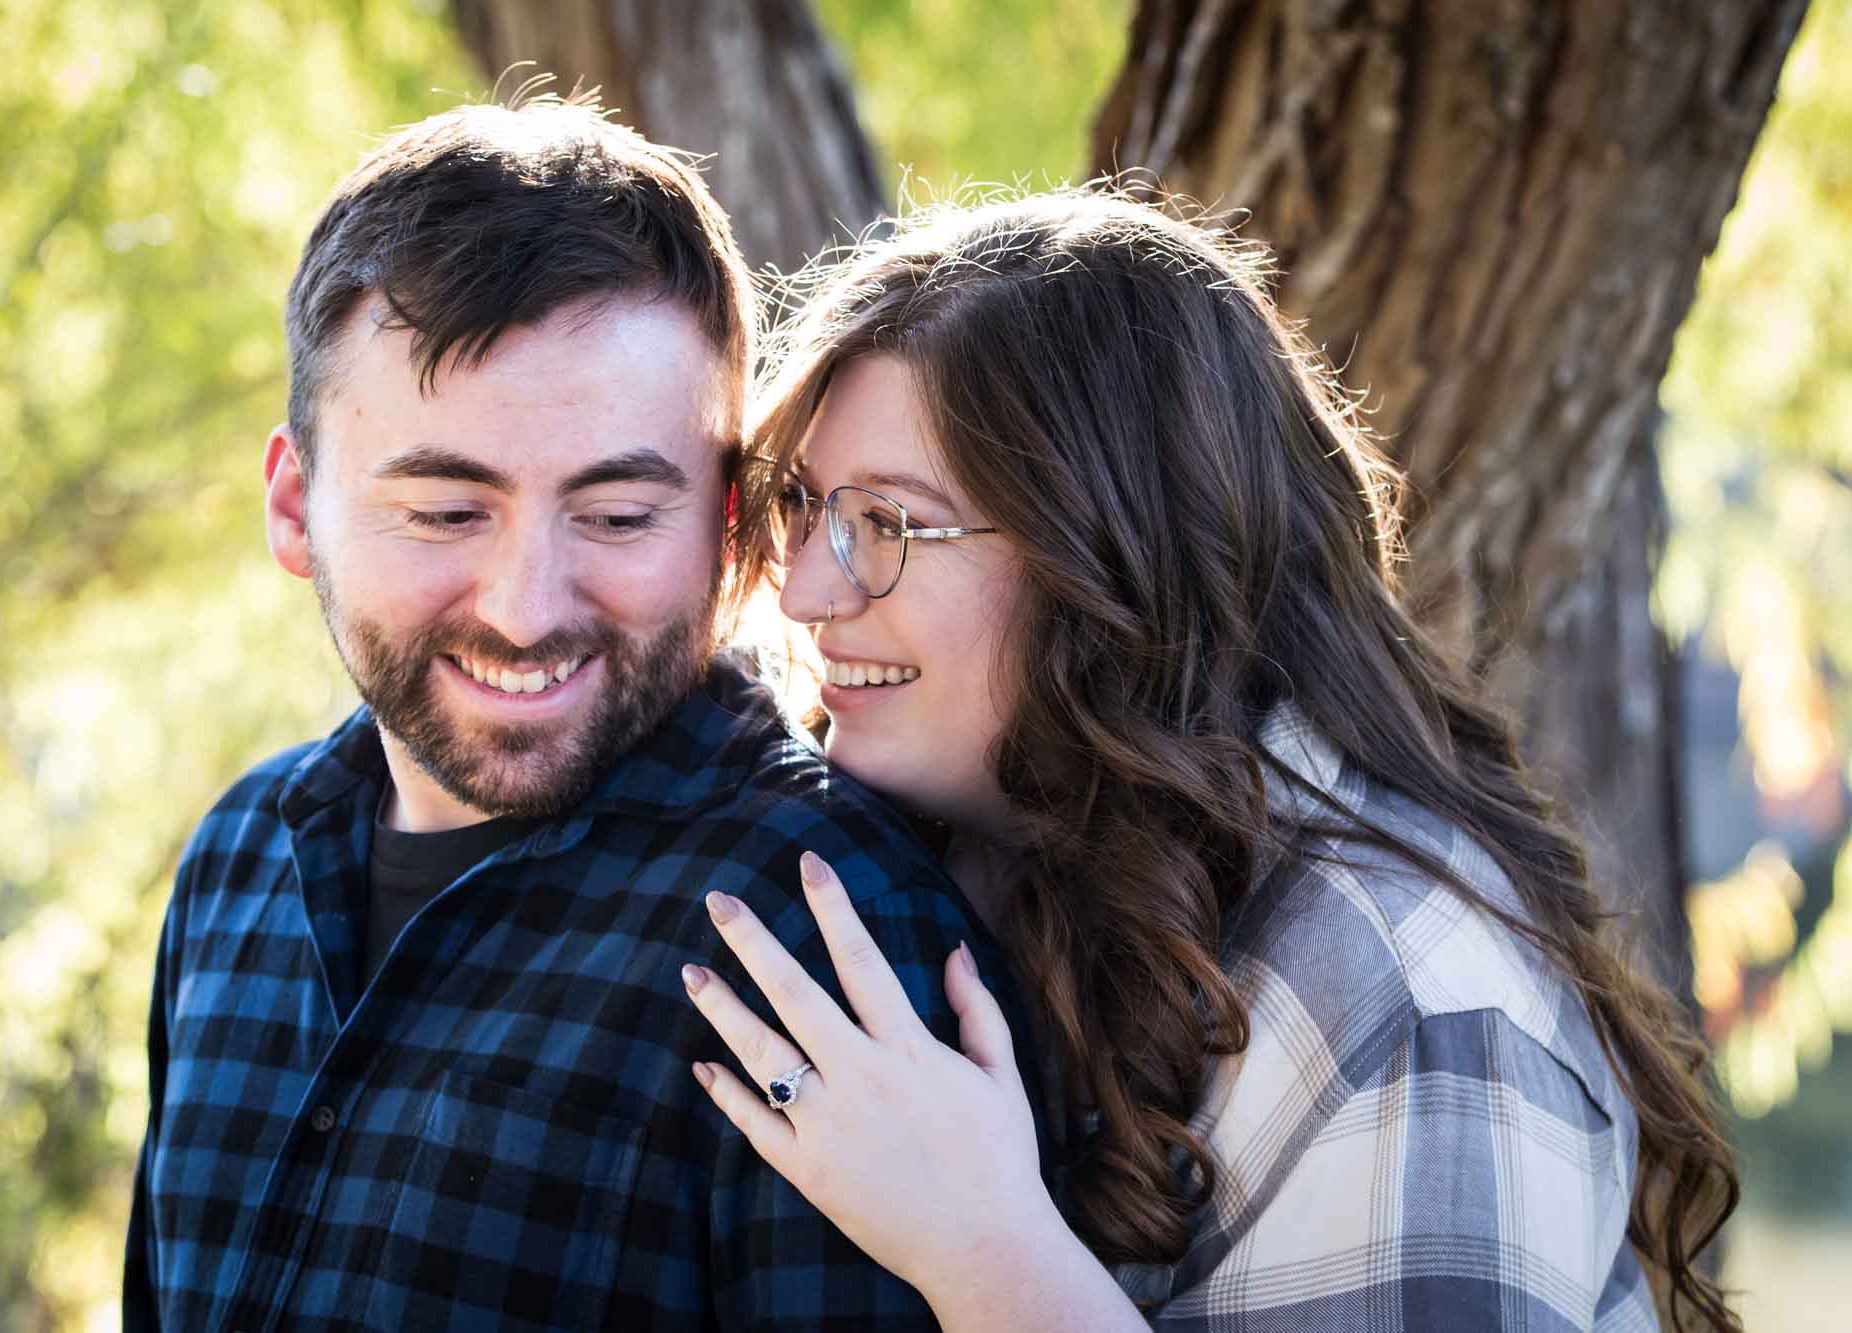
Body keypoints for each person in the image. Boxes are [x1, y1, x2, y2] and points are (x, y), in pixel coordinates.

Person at [684, 192, 1741, 1331]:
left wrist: (984, 1251)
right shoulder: (973, 860)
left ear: (1116, 562)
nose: (803, 591)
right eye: (804, 509)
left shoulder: (1413, 1009)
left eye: (889, 523)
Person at [122, 99, 1024, 1331]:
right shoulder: (236, 862)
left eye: (615, 515)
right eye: (445, 511)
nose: (526, 608)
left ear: (729, 527)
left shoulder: (826, 938)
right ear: (294, 509)